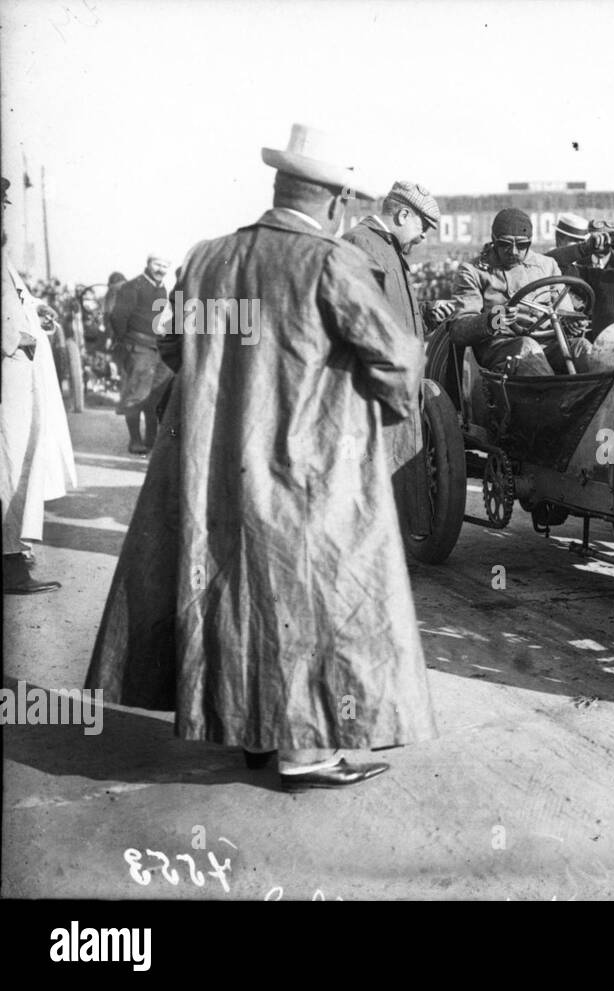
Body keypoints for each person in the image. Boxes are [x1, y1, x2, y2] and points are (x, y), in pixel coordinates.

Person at [84, 123, 436, 790]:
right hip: (307, 463)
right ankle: (303, 749)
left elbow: (172, 346)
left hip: (215, 465)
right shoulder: (332, 263)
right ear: (333, 202)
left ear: (279, 187)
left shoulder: (208, 257)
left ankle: (249, 729)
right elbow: (396, 358)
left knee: (234, 593)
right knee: (305, 598)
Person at [343, 180, 442, 546]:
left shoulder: (383, 248)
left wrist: (427, 313)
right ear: (403, 214)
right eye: (423, 228)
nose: (423, 238)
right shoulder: (363, 245)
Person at [2, 176, 76, 594]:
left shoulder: (4, 250)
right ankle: (11, 564)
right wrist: (19, 336)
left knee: (17, 460)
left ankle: (14, 553)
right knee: (10, 463)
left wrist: (34, 306)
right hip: (10, 368)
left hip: (18, 371)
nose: (7, 203)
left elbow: (11, 297)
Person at [448, 208, 592, 375]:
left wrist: (571, 322)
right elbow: (459, 330)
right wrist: (493, 319)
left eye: (522, 245)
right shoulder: (473, 271)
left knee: (583, 349)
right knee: (527, 348)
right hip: (500, 347)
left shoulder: (547, 265)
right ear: (494, 240)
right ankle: (553, 396)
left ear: (530, 242)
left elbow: (565, 312)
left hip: (550, 344)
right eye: (505, 244)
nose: (514, 251)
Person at [106, 254, 170, 453]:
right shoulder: (133, 286)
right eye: (157, 264)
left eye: (165, 266)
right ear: (148, 263)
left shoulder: (162, 288)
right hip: (138, 346)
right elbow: (118, 317)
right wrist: (127, 342)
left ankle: (152, 440)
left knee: (156, 395)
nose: (161, 269)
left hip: (157, 346)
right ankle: (135, 441)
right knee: (136, 394)